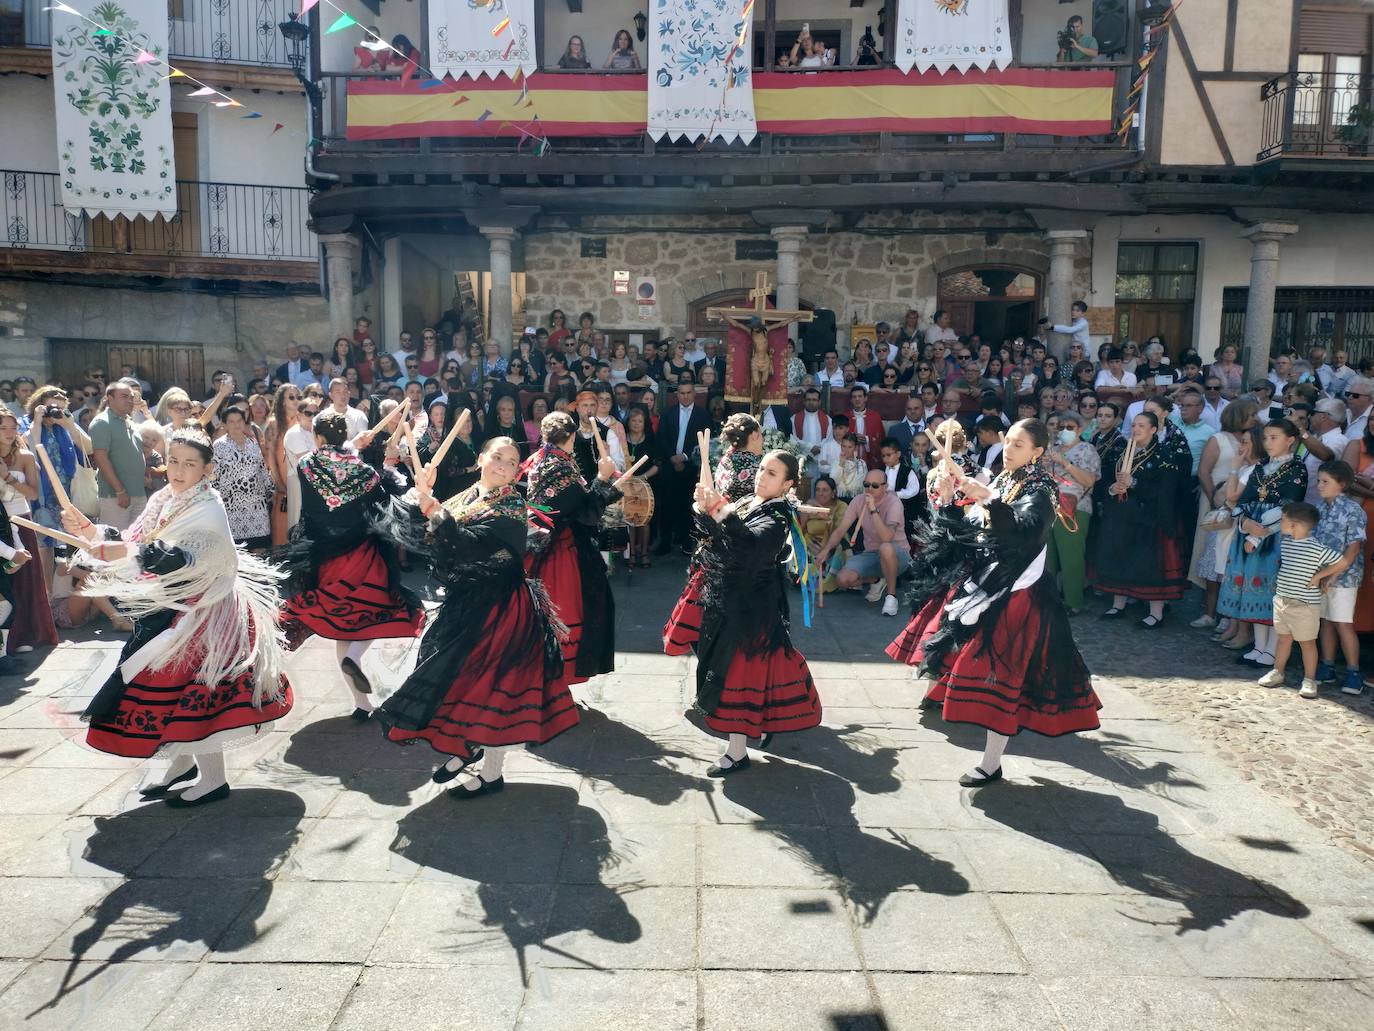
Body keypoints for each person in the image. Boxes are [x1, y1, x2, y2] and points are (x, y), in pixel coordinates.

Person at [61, 428, 292, 806]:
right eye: (173, 461)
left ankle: (213, 780)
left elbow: (175, 558)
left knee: (197, 694)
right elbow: (137, 538)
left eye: (189, 464)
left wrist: (115, 551)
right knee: (172, 692)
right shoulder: (165, 497)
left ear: (208, 469)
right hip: (174, 606)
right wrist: (87, 530)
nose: (179, 470)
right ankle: (182, 764)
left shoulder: (208, 507)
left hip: (205, 613)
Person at [887, 419, 1100, 787]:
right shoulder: (1005, 479)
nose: (1010, 449)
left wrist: (986, 497)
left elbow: (1025, 531)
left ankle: (991, 763)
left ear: (1037, 452)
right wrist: (954, 497)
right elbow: (974, 528)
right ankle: (978, 743)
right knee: (974, 660)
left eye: (1019, 445)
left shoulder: (1042, 487)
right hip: (988, 583)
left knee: (1001, 674)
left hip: (1020, 594)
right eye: (1009, 442)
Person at [376, 438, 575, 798]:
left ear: (518, 472)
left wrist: (434, 510)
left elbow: (470, 543)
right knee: (462, 679)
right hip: (467, 604)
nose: (502, 465)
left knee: (495, 691)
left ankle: (491, 773)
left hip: (502, 608)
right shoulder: (466, 496)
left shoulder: (512, 505)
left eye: (511, 462)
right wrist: (420, 493)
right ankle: (468, 746)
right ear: (481, 458)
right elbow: (420, 534)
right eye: (497, 457)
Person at [280, 411, 426, 718]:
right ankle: (357, 662)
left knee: (343, 626)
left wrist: (352, 447)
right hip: (362, 555)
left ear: (318, 437)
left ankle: (361, 703)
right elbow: (384, 502)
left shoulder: (307, 464)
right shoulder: (363, 471)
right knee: (374, 611)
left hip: (326, 557)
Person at [690, 450, 822, 776]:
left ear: (788, 484)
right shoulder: (752, 501)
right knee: (751, 674)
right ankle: (759, 728)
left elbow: (749, 546)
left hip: (753, 611)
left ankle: (737, 752)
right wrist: (704, 509)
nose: (762, 476)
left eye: (772, 474)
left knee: (739, 677)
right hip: (733, 601)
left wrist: (720, 510)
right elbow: (720, 536)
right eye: (762, 469)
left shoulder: (777, 517)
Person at [526, 412, 622, 688]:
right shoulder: (560, 466)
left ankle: (548, 679)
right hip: (561, 549)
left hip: (540, 546)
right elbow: (586, 513)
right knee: (569, 610)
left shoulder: (541, 459)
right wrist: (603, 481)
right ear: (570, 437)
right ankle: (558, 680)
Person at [664, 414, 761, 656]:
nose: (761, 439)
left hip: (715, 535)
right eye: (759, 434)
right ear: (752, 436)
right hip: (738, 535)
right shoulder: (754, 465)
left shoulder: (726, 458)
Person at [1217, 419, 1308, 668]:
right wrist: (1245, 523)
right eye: (1266, 437)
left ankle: (1271, 649)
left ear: (1290, 440)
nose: (1268, 442)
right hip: (1249, 532)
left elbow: (1288, 505)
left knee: (1270, 589)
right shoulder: (1261, 467)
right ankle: (1259, 646)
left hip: (1275, 535)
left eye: (1275, 437)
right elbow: (1244, 500)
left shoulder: (1296, 469)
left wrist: (1260, 533)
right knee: (1251, 587)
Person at [1092, 412, 1189, 627]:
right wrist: (1111, 488)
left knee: (1150, 563)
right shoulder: (1121, 451)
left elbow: (1166, 491)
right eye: (1134, 425)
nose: (1136, 429)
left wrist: (1134, 483)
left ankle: (1156, 613)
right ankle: (1119, 604)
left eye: (1142, 426)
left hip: (1148, 518)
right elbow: (1104, 478)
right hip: (1120, 516)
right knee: (1119, 556)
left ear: (1154, 429)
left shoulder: (1163, 456)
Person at [1257, 503, 1342, 698]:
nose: (1281, 523)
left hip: (1305, 605)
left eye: (1283, 520)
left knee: (1307, 643)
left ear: (1294, 525)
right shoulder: (1286, 543)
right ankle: (1278, 672)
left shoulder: (1316, 548)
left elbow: (1341, 562)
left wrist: (1321, 576)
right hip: (1282, 601)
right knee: (1284, 639)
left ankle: (1309, 680)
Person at [815, 467, 912, 616]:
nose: (869, 489)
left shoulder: (894, 502)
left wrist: (873, 509)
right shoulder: (858, 501)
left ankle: (891, 597)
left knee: (885, 547)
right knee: (843, 579)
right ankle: (876, 580)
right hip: (872, 554)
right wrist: (826, 550)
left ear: (885, 487)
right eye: (866, 485)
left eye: (875, 486)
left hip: (898, 554)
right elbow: (841, 529)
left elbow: (886, 537)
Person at [0, 412, 56, 654]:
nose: (9, 432)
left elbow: (33, 494)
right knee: (5, 582)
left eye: (12, 427)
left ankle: (27, 633)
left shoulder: (25, 455)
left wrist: (7, 476)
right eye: (3, 427)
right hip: (0, 523)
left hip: (21, 519)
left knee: (26, 579)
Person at [1310, 461, 1366, 696]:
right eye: (1319, 481)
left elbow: (1353, 548)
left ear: (1341, 485)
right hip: (1322, 575)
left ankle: (1354, 672)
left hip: (1344, 576)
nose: (1320, 486)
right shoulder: (1319, 509)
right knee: (1326, 621)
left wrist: (1333, 573)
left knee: (1343, 623)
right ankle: (1328, 665)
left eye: (1326, 482)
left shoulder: (1353, 511)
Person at [1043, 411, 1101, 614]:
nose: (1065, 431)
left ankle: (1073, 601)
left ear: (1080, 429)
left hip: (1074, 507)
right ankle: (1049, 598)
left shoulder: (1087, 450)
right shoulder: (1051, 450)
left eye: (1070, 427)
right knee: (1047, 556)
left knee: (1071, 556)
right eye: (1061, 427)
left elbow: (1089, 480)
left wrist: (1065, 463)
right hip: (1049, 506)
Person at [655, 380, 711, 555]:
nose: (685, 396)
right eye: (682, 393)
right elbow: (662, 438)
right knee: (667, 504)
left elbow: (705, 442)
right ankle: (664, 541)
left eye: (688, 392)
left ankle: (687, 542)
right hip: (670, 466)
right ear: (677, 394)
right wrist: (673, 457)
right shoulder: (668, 413)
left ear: (694, 393)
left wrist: (685, 457)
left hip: (690, 467)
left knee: (689, 505)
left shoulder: (703, 415)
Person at [89, 380, 148, 530]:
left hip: (138, 493)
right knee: (115, 543)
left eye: (131, 397)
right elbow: (101, 458)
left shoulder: (130, 421)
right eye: (124, 396)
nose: (129, 400)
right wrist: (120, 491)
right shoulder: (102, 422)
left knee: (138, 544)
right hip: (115, 496)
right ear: (110, 398)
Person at [211, 407, 272, 550]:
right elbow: (214, 477)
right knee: (238, 551)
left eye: (239, 421)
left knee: (260, 548)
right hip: (232, 507)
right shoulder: (219, 445)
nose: (236, 425)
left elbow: (262, 469)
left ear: (244, 423)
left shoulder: (253, 444)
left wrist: (270, 490)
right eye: (231, 422)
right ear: (224, 425)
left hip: (257, 506)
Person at [623, 406, 663, 568]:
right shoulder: (622, 439)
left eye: (640, 421)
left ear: (644, 422)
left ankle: (644, 553)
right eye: (633, 420)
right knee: (630, 521)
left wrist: (642, 477)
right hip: (626, 485)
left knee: (644, 520)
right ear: (629, 422)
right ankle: (632, 554)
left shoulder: (651, 440)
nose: (636, 424)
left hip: (646, 485)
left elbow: (658, 464)